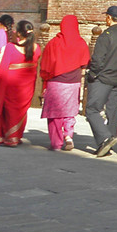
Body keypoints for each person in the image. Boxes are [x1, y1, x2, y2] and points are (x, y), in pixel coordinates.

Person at [84, 5, 117, 158]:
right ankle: (110, 139)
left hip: (103, 78)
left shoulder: (105, 36)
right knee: (113, 111)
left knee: (92, 109)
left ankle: (105, 138)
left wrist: (92, 74)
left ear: (109, 18)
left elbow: (97, 59)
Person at [0, 19, 40, 146]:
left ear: (18, 33)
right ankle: (15, 136)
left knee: (8, 109)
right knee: (20, 111)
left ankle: (6, 136)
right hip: (28, 85)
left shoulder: (9, 48)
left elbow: (0, 67)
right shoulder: (36, 48)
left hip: (10, 83)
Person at [39, 15, 91, 151]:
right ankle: (68, 136)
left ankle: (56, 142)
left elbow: (45, 64)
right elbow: (85, 63)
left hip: (56, 82)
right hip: (73, 82)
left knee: (54, 113)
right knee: (69, 111)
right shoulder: (81, 43)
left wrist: (44, 79)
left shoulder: (54, 43)